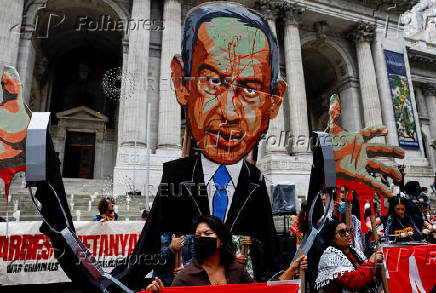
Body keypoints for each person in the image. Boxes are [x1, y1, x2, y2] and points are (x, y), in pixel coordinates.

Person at [146, 215, 307, 291]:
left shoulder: (237, 271)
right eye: (197, 236)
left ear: (221, 239)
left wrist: (292, 269)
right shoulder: (185, 278)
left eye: (207, 234)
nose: (201, 238)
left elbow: (264, 291)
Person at [315, 220, 382, 293]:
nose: (347, 234)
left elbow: (368, 274)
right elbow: (353, 282)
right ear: (333, 238)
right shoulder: (329, 258)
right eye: (342, 232)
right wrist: (371, 263)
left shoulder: (356, 252)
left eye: (348, 230)